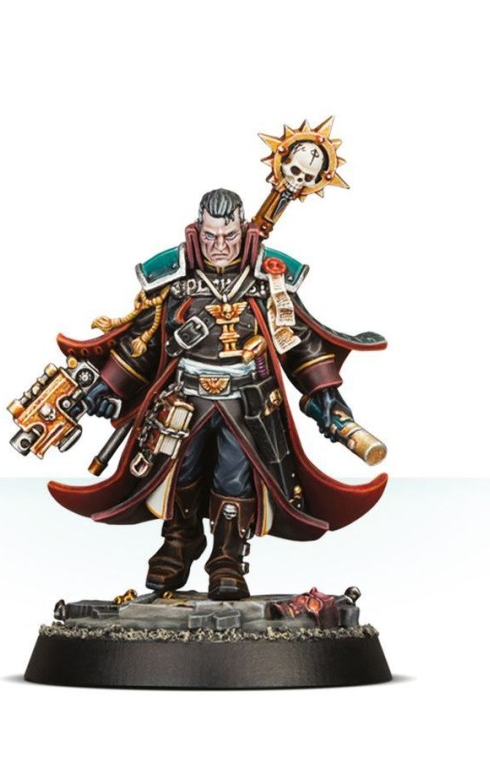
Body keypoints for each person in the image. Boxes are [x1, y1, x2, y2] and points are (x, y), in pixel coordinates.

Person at [49, 189, 388, 600]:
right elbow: (144, 341)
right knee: (178, 471)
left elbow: (297, 342)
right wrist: (109, 385)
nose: (220, 246)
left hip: (245, 402)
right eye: (210, 237)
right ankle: (180, 540)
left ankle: (228, 555)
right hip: (184, 400)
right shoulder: (175, 280)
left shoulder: (268, 280)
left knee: (235, 475)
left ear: (243, 231)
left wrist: (326, 395)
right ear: (197, 233)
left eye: (229, 236)